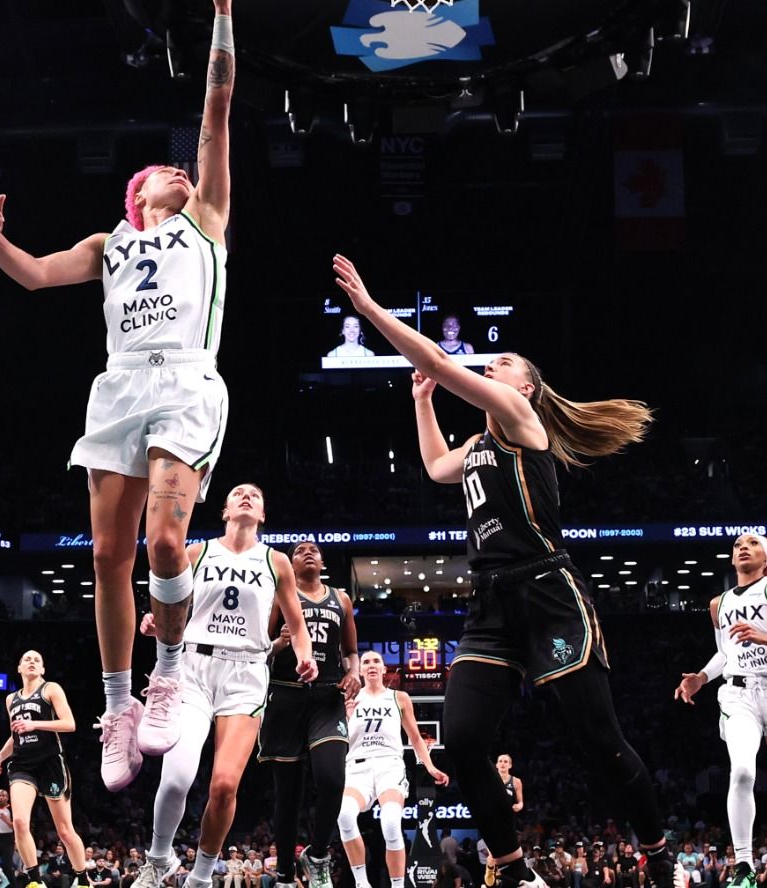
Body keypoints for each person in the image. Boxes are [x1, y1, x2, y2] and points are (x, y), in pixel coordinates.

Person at [0, 0, 246, 789]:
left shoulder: (204, 219)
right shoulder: (109, 242)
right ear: (140, 192)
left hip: (184, 380)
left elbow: (216, 109)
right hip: (118, 387)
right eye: (163, 171)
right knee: (106, 557)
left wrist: (224, 7)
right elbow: (36, 276)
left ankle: (166, 681)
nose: (176, 169)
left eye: (180, 169)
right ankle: (120, 707)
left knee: (168, 540)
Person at [329, 254, 678, 888]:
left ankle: (657, 851)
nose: (493, 366)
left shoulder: (523, 423)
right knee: (460, 740)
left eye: (504, 364)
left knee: (597, 738)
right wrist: (422, 402)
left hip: (548, 592)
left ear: (525, 389)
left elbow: (437, 358)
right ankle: (513, 868)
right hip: (490, 605)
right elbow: (437, 466)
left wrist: (372, 311)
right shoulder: (481, 446)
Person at [131, 483, 318, 888]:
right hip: (193, 667)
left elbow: (298, 627)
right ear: (224, 511)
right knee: (178, 777)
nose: (248, 496)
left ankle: (200, 876)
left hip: (247, 673)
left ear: (263, 515)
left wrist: (305, 655)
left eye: (256, 495)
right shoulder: (197, 552)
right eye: (238, 494)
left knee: (224, 785)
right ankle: (158, 857)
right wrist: (154, 621)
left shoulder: (276, 562)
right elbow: (170, 603)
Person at [673, 532, 767, 888]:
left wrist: (763, 636)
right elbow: (726, 652)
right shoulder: (718, 604)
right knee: (742, 772)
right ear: (732, 559)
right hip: (738, 695)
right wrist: (701, 677)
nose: (744, 547)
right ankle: (743, 867)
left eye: (754, 543)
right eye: (738, 545)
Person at [260, 540, 361, 888]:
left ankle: (317, 855)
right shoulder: (278, 596)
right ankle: (285, 873)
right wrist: (279, 644)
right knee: (288, 797)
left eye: (314, 549)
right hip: (285, 696)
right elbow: (260, 648)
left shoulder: (341, 599)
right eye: (301, 549)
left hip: (326, 696)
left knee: (333, 780)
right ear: (289, 563)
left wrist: (354, 673)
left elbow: (351, 652)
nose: (308, 551)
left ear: (322, 561)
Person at [337, 651, 451, 888]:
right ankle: (361, 883)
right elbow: (340, 741)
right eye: (366, 662)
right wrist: (346, 718)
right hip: (357, 766)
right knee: (345, 816)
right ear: (360, 670)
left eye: (376, 661)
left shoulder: (399, 698)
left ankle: (397, 885)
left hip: (389, 765)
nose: (370, 665)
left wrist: (429, 766)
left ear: (384, 669)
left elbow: (416, 738)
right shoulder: (348, 698)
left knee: (390, 822)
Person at [0, 651, 92, 888]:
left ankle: (82, 878)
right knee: (21, 823)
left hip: (50, 762)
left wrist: (34, 724)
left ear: (43, 669)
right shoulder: (10, 699)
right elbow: (15, 735)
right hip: (23, 765)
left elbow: (69, 724)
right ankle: (35, 881)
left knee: (65, 831)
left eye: (37, 660)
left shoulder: (50, 689)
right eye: (27, 659)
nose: (32, 662)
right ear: (19, 668)